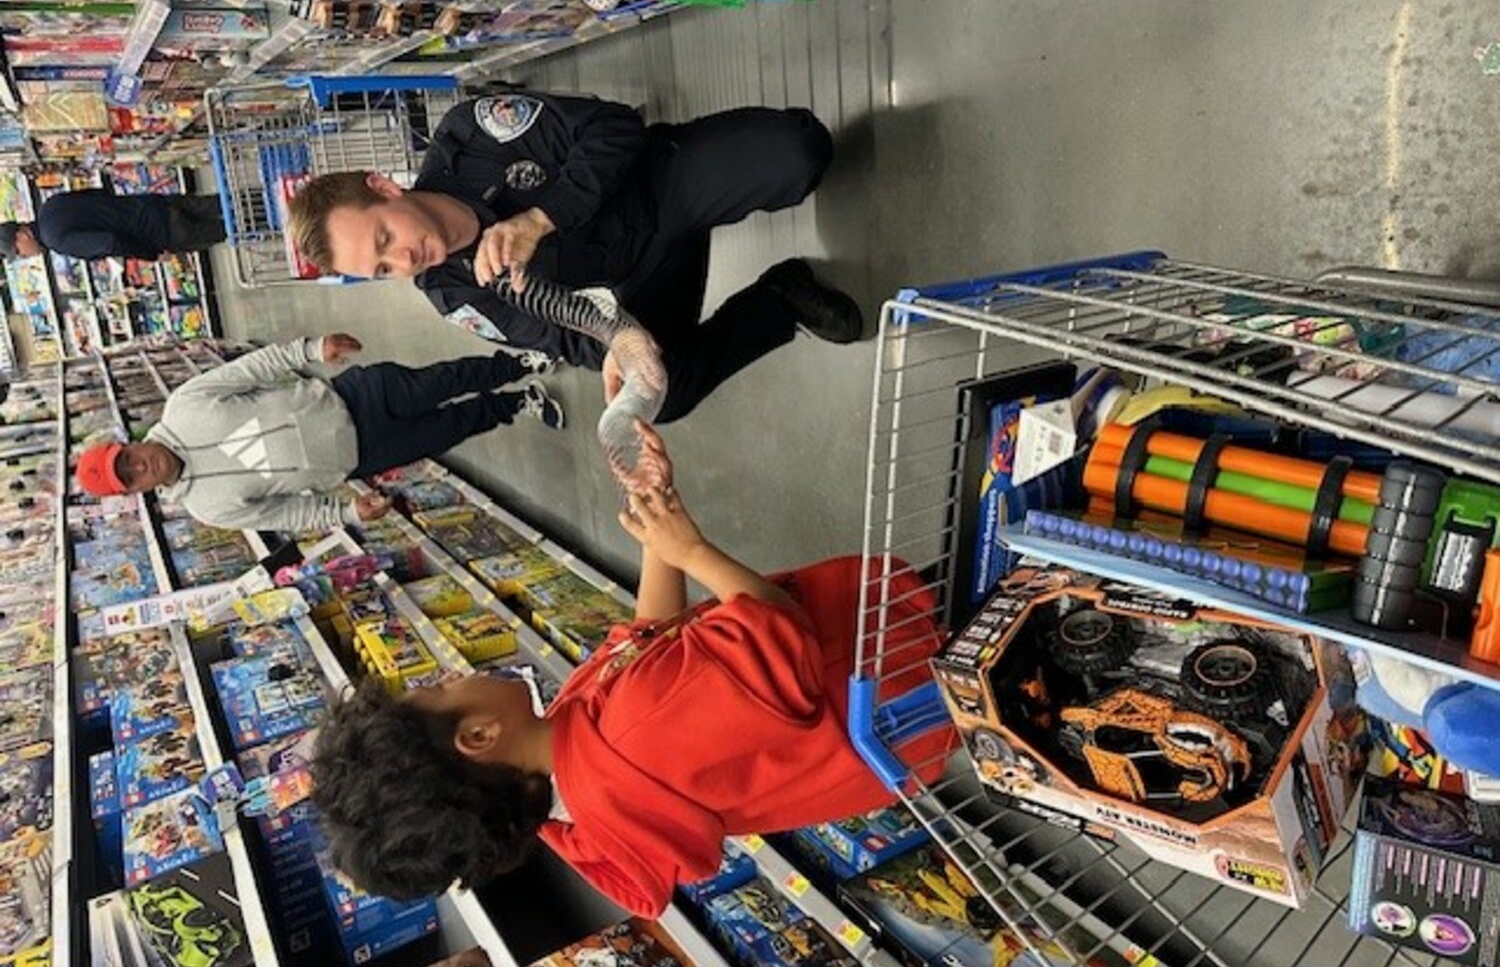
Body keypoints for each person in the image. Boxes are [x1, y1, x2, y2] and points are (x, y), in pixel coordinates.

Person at [311, 424, 951, 915]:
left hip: (891, 727)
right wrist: (692, 549)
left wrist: (655, 530)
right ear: (478, 737)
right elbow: (780, 636)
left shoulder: (573, 788)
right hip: (898, 659)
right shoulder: (629, 733)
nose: (452, 675)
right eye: (441, 687)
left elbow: (647, 643)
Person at [286, 92, 865, 422]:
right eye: (383, 269)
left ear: (384, 188)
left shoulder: (471, 137)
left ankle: (743, 170)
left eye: (385, 239)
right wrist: (618, 348)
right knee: (656, 397)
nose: (405, 260)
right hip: (636, 290)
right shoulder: (455, 295)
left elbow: (614, 127)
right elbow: (560, 338)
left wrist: (541, 217)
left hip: (655, 190)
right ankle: (779, 300)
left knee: (800, 153)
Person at [74, 334, 563, 531]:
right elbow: (291, 513)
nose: (140, 466)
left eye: (128, 458)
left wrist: (310, 348)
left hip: (353, 397)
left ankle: (517, 363)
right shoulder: (209, 509)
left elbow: (253, 368)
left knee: (442, 380)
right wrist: (349, 511)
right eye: (130, 477)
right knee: (448, 429)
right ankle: (519, 402)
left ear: (129, 442)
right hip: (360, 456)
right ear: (137, 490)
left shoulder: (184, 406)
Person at [0, 188, 228, 264]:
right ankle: (264, 192)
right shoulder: (50, 204)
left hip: (164, 233)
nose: (24, 256)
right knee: (227, 201)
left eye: (18, 252)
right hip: (154, 203)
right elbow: (100, 193)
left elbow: (110, 242)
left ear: (21, 235)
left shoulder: (56, 240)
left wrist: (153, 255)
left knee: (235, 227)